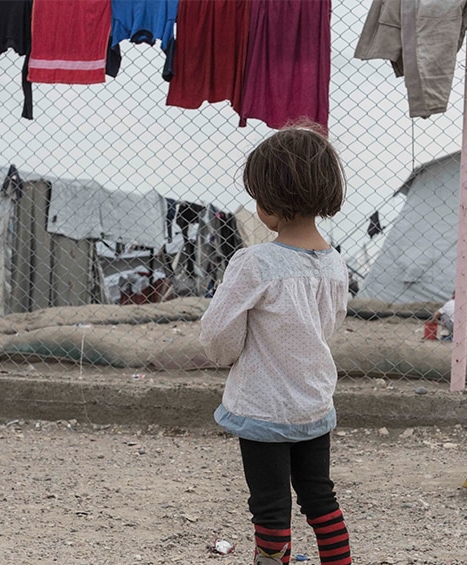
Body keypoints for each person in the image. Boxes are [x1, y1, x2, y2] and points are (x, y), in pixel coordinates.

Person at [199, 124, 352, 565]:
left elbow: (218, 333)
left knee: (270, 510)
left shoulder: (254, 263)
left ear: (268, 202)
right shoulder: (335, 265)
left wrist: (228, 358)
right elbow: (329, 325)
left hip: (264, 406)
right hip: (314, 406)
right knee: (321, 499)